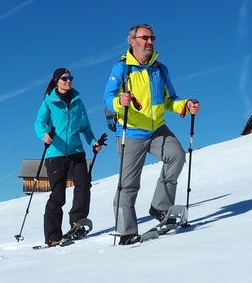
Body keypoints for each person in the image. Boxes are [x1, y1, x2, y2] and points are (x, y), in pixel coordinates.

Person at [103, 24, 200, 245]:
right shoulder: (122, 69)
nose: (150, 42)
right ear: (132, 41)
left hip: (157, 130)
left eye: (152, 38)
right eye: (145, 37)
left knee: (176, 156)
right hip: (131, 131)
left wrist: (186, 105)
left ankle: (160, 207)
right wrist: (119, 101)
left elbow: (170, 100)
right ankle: (126, 232)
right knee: (128, 184)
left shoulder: (160, 69)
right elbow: (107, 97)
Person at [33, 68, 103, 247]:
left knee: (84, 184)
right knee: (58, 195)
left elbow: (85, 127)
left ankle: (77, 221)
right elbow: (39, 123)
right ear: (56, 81)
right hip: (55, 153)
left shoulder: (77, 101)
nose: (68, 81)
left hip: (76, 151)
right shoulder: (49, 102)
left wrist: (93, 142)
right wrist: (44, 135)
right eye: (64, 78)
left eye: (70, 78)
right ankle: (53, 236)